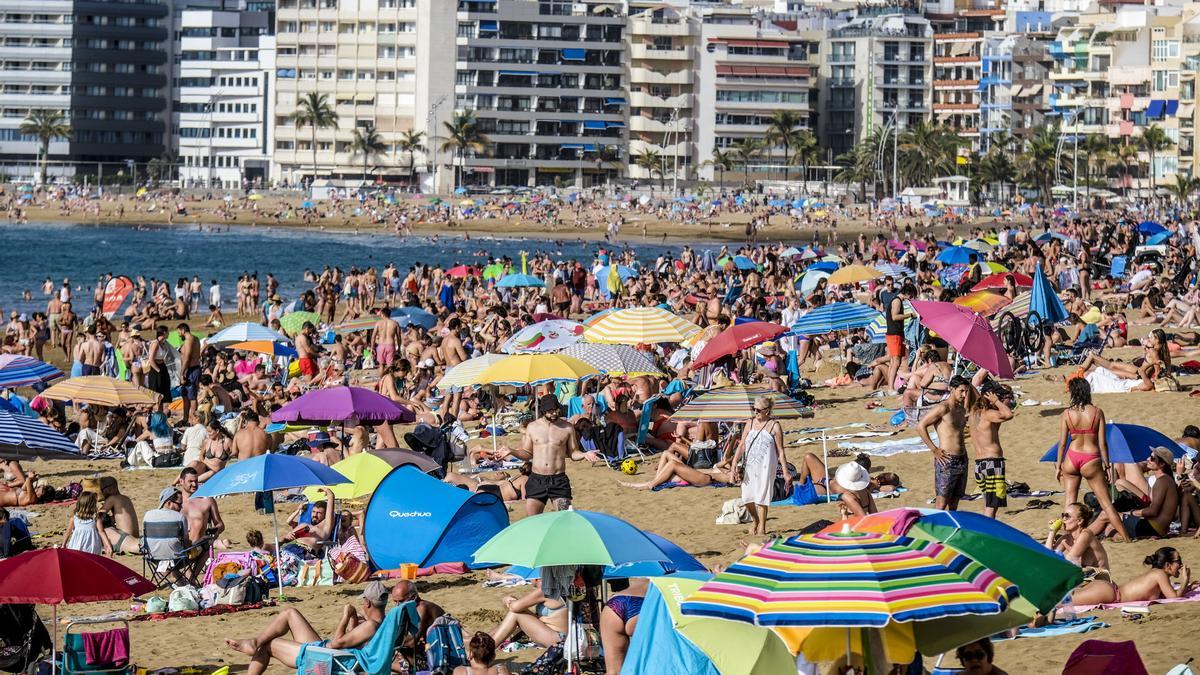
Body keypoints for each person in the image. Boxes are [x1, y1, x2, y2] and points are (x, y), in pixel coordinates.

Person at [224, 581, 388, 675]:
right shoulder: (383, 625)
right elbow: (354, 646)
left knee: (268, 645)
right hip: (332, 653)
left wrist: (345, 617)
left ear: (367, 602)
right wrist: (354, 620)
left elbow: (337, 643)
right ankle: (254, 641)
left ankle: (255, 643)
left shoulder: (371, 626)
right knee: (290, 613)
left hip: (326, 657)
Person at [1055, 378, 1129, 541]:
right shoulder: (1097, 412)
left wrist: (1058, 465)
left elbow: (1062, 443)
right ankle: (1126, 538)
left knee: (1069, 500)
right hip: (1091, 457)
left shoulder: (1067, 413)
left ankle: (1068, 538)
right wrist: (1107, 465)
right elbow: (1102, 442)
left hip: (1072, 457)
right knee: (1106, 503)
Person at [502, 394, 581, 516]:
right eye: (550, 411)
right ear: (543, 411)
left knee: (565, 518)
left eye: (556, 410)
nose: (554, 413)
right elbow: (527, 453)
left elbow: (573, 453)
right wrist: (512, 451)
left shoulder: (567, 428)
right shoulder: (532, 427)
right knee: (533, 521)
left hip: (558, 480)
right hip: (537, 479)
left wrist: (585, 455)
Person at [1089, 446, 1178, 540]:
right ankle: (1124, 538)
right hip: (1157, 527)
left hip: (1153, 527)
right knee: (1110, 527)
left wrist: (1130, 512)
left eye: (1152, 458)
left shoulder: (1162, 481)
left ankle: (1081, 537)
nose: (1148, 459)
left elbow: (1153, 511)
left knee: (1106, 515)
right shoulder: (1166, 480)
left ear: (1162, 464)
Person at [730, 395, 789, 536]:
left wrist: (786, 473)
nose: (755, 412)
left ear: (767, 411)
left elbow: (781, 451)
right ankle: (755, 520)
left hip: (766, 466)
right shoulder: (749, 423)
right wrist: (733, 464)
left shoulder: (774, 426)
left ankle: (762, 526)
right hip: (750, 466)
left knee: (762, 496)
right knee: (747, 497)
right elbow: (742, 445)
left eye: (758, 410)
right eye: (753, 409)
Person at [917, 376, 974, 511]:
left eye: (966, 391)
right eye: (961, 391)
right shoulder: (943, 408)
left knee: (955, 501)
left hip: (962, 458)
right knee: (941, 503)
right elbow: (921, 426)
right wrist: (934, 449)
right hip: (947, 459)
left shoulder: (961, 409)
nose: (964, 395)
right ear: (952, 389)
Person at [1071, 546, 1196, 605]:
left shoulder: (1157, 574)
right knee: (1062, 602)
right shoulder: (1159, 574)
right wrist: (1185, 580)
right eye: (1178, 561)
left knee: (1063, 597)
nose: (1181, 565)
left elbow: (1167, 594)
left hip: (1107, 590)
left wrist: (1188, 588)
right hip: (1109, 593)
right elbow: (1173, 598)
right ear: (1168, 565)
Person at [971, 381, 1015, 519]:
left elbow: (992, 431)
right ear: (989, 395)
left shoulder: (974, 414)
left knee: (988, 502)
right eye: (997, 395)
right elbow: (1009, 414)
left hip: (979, 465)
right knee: (992, 506)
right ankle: (987, 536)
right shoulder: (988, 414)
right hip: (992, 463)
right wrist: (997, 402)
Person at [489, 582, 567, 649]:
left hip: (558, 640)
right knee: (518, 616)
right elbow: (537, 619)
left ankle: (486, 652)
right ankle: (485, 642)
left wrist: (508, 599)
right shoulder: (565, 587)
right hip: (560, 636)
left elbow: (515, 607)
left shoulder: (547, 589)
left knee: (515, 614)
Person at [599, 578, 645, 675]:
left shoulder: (642, 564)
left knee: (613, 671)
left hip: (616, 602)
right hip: (647, 602)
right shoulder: (675, 570)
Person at [1046, 503, 1109, 570]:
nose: (1063, 519)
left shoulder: (1086, 534)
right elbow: (1046, 556)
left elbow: (1070, 560)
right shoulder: (1066, 539)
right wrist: (1052, 532)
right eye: (1063, 515)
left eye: (1067, 516)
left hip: (1100, 577)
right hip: (1085, 576)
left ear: (1079, 521)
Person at [178, 467, 225, 546]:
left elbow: (220, 524)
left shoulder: (207, 500)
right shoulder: (174, 502)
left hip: (200, 547)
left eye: (196, 481)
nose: (194, 484)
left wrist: (215, 530)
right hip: (179, 548)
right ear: (181, 481)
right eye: (190, 481)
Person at [99, 477, 141, 554]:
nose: (102, 493)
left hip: (125, 538)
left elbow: (98, 517)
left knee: (100, 529)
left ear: (109, 489)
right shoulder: (126, 498)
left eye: (102, 490)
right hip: (135, 537)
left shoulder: (112, 498)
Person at [62, 491, 112, 556]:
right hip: (92, 546)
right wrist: (108, 545)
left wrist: (64, 544)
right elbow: (101, 532)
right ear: (92, 505)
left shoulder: (74, 518)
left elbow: (68, 532)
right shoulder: (96, 518)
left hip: (77, 545)